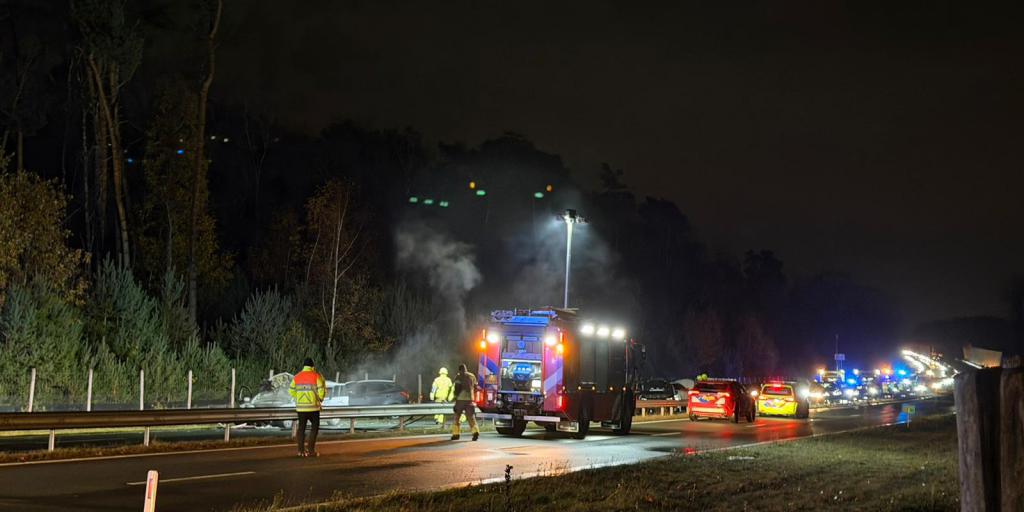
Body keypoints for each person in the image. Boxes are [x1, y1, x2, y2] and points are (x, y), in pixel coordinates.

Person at [288, 357, 326, 457]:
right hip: (313, 408)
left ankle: (300, 451)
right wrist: (320, 399)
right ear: (312, 366)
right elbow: (322, 390)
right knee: (314, 428)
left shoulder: (297, 377)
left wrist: (299, 397)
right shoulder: (316, 376)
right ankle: (311, 450)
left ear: (304, 366)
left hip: (301, 408)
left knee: (301, 428)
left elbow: (291, 391)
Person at [451, 364, 480, 441]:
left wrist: (455, 397)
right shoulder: (472, 376)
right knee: (471, 417)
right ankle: (475, 432)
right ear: (466, 369)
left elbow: (457, 388)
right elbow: (476, 387)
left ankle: (456, 434)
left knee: (457, 417)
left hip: (460, 400)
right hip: (470, 400)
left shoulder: (459, 376)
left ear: (459, 370)